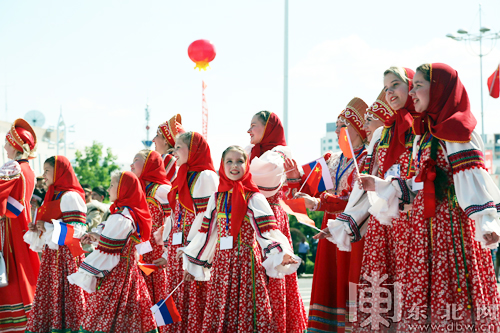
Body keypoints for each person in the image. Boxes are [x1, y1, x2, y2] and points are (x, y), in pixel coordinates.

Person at [360, 63, 500, 329]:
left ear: (438, 90)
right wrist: (380, 185)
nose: (412, 93)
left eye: (419, 86)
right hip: (424, 231)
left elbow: (475, 183)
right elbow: (416, 184)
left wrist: (487, 223)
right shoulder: (425, 134)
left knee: (451, 293)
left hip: (450, 230)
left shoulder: (457, 133)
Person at [182, 145, 301, 332]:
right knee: (222, 308)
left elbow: (266, 231)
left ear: (247, 165)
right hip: (222, 264)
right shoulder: (217, 198)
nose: (234, 165)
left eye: (240, 161)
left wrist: (280, 252)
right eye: (229, 161)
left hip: (246, 263)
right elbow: (207, 234)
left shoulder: (254, 197)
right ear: (222, 165)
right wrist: (194, 264)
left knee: (247, 307)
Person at [290, 98, 368, 332]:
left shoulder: (365, 159)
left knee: (350, 278)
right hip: (329, 228)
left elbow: (353, 198)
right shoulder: (332, 160)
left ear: (357, 127)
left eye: (342, 124)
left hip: (354, 228)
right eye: (336, 125)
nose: (336, 130)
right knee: (329, 279)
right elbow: (303, 180)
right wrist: (287, 172)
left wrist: (319, 202)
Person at [68, 171, 157, 332]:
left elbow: (108, 250)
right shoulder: (129, 213)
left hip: (116, 274)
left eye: (112, 185)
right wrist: (96, 237)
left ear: (123, 188)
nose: (108, 190)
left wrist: (85, 272)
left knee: (103, 315)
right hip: (129, 273)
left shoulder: (122, 217)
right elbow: (111, 239)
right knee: (130, 316)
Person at [246, 110, 308, 332]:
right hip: (249, 221)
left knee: (271, 273)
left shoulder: (279, 153)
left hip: (269, 220)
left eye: (254, 125)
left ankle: (274, 325)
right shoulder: (252, 152)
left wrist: (236, 167)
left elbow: (263, 172)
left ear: (268, 128)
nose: (248, 130)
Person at [153, 131, 218, 333]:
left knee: (195, 299)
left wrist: (194, 255)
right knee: (178, 299)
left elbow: (207, 219)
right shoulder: (184, 175)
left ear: (194, 150)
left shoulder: (206, 176)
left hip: (193, 251)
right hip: (177, 250)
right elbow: (175, 215)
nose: (174, 152)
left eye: (179, 147)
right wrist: (165, 253)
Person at [24, 156, 87, 332]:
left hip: (66, 258)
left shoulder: (71, 196)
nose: (43, 175)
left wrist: (49, 227)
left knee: (68, 298)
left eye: (47, 171)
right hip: (53, 257)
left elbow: (78, 231)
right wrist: (37, 229)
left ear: (58, 172)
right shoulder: (52, 194)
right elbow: (50, 227)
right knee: (52, 298)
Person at [0, 118, 41, 333]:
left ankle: (13, 319)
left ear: (15, 145)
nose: (4, 147)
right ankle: (25, 316)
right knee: (22, 268)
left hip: (10, 226)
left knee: (10, 269)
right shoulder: (29, 170)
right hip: (21, 225)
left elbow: (9, 207)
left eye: (7, 143)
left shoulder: (13, 167)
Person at [131, 149, 171, 312]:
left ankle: (165, 329)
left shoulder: (162, 190)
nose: (131, 165)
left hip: (158, 255)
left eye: (136, 160)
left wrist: (166, 254)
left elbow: (173, 222)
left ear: (149, 164)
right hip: (141, 253)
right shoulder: (139, 191)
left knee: (161, 294)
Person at [154, 114, 185, 182]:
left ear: (165, 141)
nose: (153, 140)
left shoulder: (167, 160)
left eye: (157, 135)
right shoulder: (179, 162)